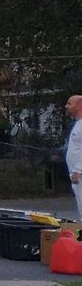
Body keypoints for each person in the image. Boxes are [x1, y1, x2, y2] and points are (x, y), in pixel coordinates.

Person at [66, 94, 82, 222]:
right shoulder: (78, 124)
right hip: (76, 178)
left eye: (69, 103)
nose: (66, 106)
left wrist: (78, 169)